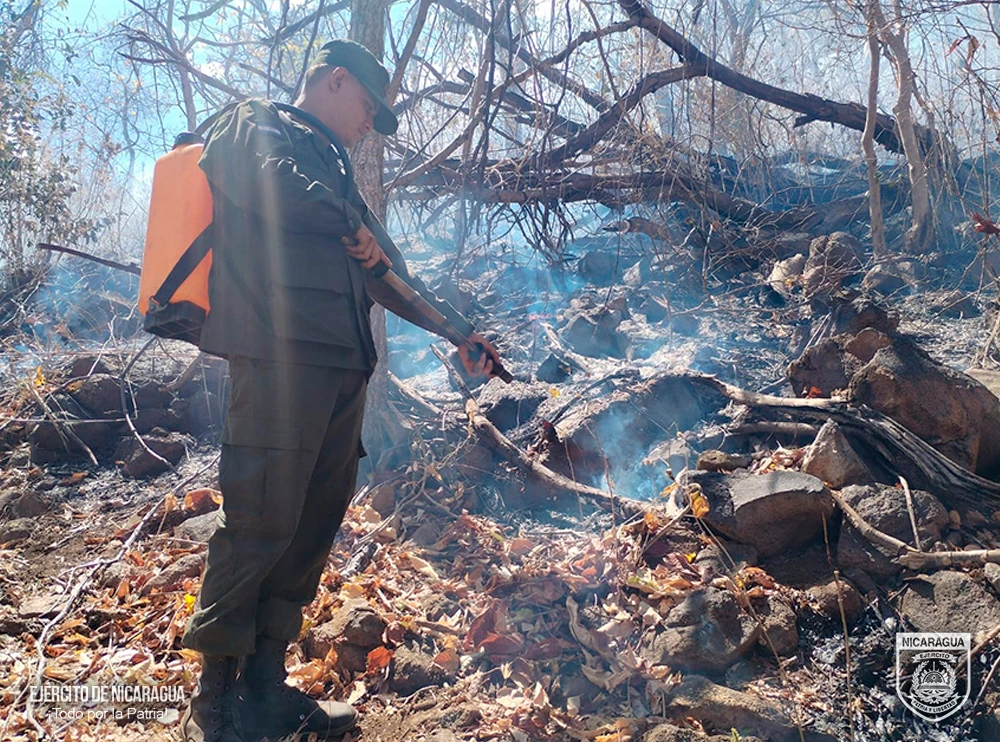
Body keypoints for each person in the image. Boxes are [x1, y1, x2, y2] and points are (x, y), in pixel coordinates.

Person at [179, 39, 501, 742]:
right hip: (279, 358)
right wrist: (345, 219)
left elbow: (389, 271)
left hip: (341, 372)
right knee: (259, 520)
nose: (368, 124)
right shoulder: (255, 120)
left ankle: (264, 688)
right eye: (367, 106)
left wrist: (459, 332)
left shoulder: (338, 171)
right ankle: (214, 706)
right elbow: (265, 180)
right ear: (334, 81)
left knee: (312, 525)